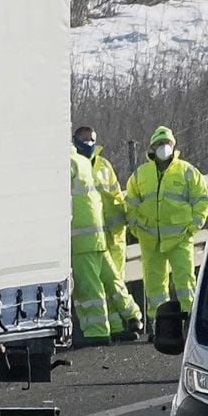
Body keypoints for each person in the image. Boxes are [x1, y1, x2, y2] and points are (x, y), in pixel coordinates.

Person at [124, 125, 208, 324]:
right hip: (150, 239)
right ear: (152, 147)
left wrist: (193, 226)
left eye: (167, 143)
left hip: (179, 237)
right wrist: (137, 227)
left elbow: (202, 200)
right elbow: (131, 203)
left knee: (185, 282)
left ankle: (189, 322)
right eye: (159, 143)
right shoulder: (140, 175)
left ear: (173, 145)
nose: (163, 147)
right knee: (155, 286)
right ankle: (160, 325)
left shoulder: (187, 171)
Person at [75, 126, 142, 339]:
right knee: (107, 284)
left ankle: (119, 325)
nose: (88, 144)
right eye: (84, 140)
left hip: (108, 236)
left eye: (91, 140)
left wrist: (120, 227)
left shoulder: (103, 166)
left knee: (110, 283)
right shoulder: (80, 165)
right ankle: (120, 325)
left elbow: (115, 198)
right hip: (94, 235)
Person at [68, 142, 121, 345]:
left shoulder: (67, 165)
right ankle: (130, 318)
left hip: (80, 237)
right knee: (110, 280)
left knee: (89, 287)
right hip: (95, 234)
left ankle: (97, 332)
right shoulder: (82, 162)